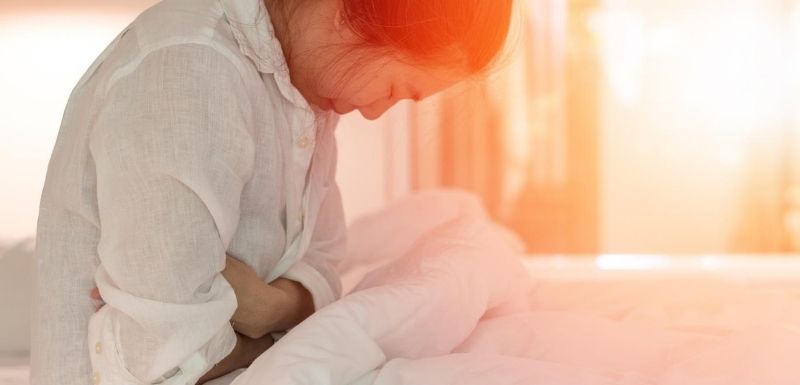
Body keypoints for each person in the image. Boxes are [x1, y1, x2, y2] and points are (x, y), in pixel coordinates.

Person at [29, 0, 513, 384]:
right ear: (346, 10)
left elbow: (325, 259)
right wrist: (280, 336)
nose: (373, 113)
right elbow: (162, 359)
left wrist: (270, 309)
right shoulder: (191, 69)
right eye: (394, 89)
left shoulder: (305, 103)